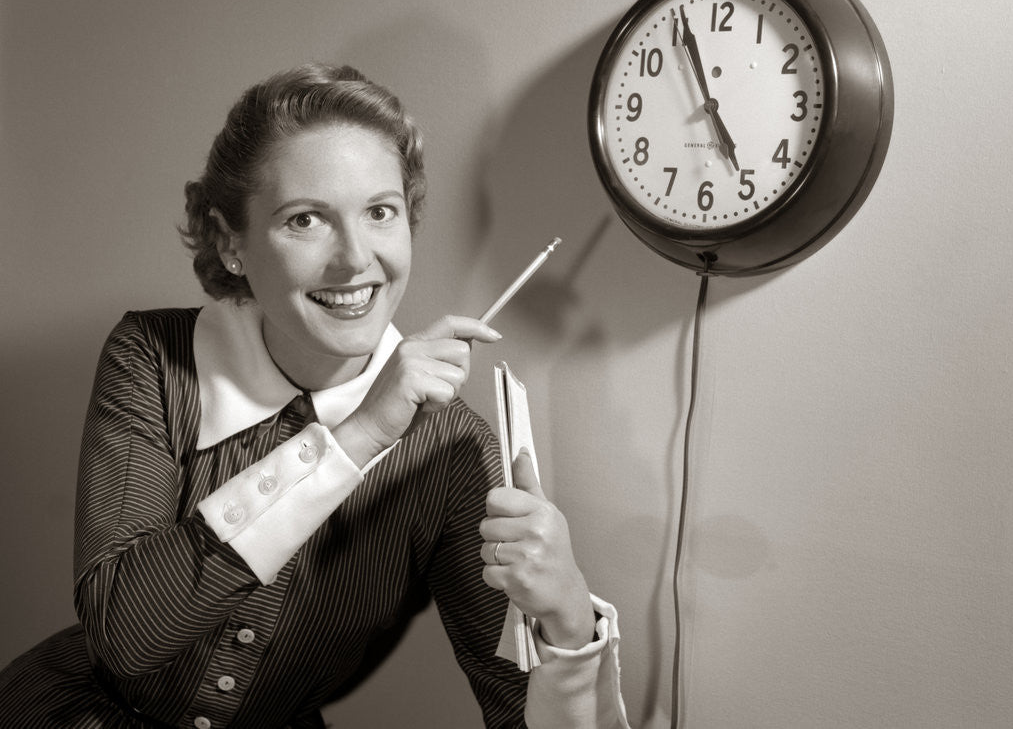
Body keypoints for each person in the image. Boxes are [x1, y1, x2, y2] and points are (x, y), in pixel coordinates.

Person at [0, 64, 630, 728]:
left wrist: (567, 620)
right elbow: (126, 633)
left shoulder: (452, 450)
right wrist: (358, 435)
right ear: (229, 241)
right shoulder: (154, 356)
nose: (355, 259)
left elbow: (515, 712)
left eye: (380, 212)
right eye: (306, 219)